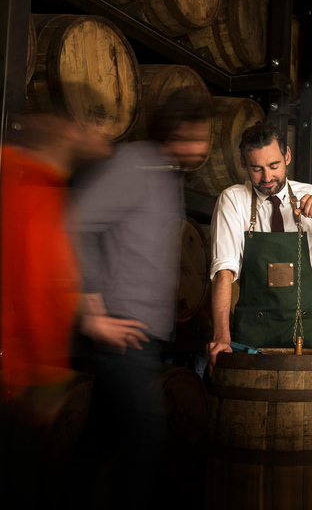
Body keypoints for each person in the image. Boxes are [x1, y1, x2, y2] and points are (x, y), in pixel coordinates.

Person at [70, 88, 212, 509]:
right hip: (121, 332)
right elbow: (76, 224)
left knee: (99, 442)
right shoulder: (134, 164)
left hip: (144, 338)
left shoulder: (168, 173)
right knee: (148, 439)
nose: (203, 147)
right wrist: (92, 311)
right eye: (195, 136)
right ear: (173, 132)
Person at [0, 111, 112, 508]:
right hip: (22, 376)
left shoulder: (16, 180)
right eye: (71, 131)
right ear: (57, 142)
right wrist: (46, 375)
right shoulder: (39, 191)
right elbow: (35, 290)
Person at [206, 121, 312, 373]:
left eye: (274, 166)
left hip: (307, 329)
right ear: (243, 164)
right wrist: (221, 338)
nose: (267, 177)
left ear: (286, 156)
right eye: (256, 168)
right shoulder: (233, 200)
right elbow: (223, 272)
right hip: (254, 331)